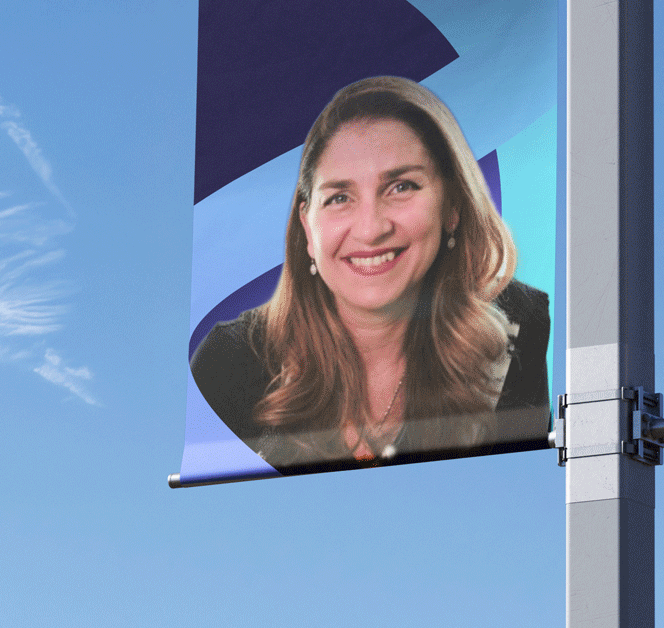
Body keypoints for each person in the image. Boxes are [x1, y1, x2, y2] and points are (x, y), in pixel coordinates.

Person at [190, 76, 550, 470]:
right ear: (308, 228)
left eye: (401, 187)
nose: (370, 228)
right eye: (339, 197)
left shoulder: (531, 329)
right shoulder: (228, 363)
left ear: (452, 206)